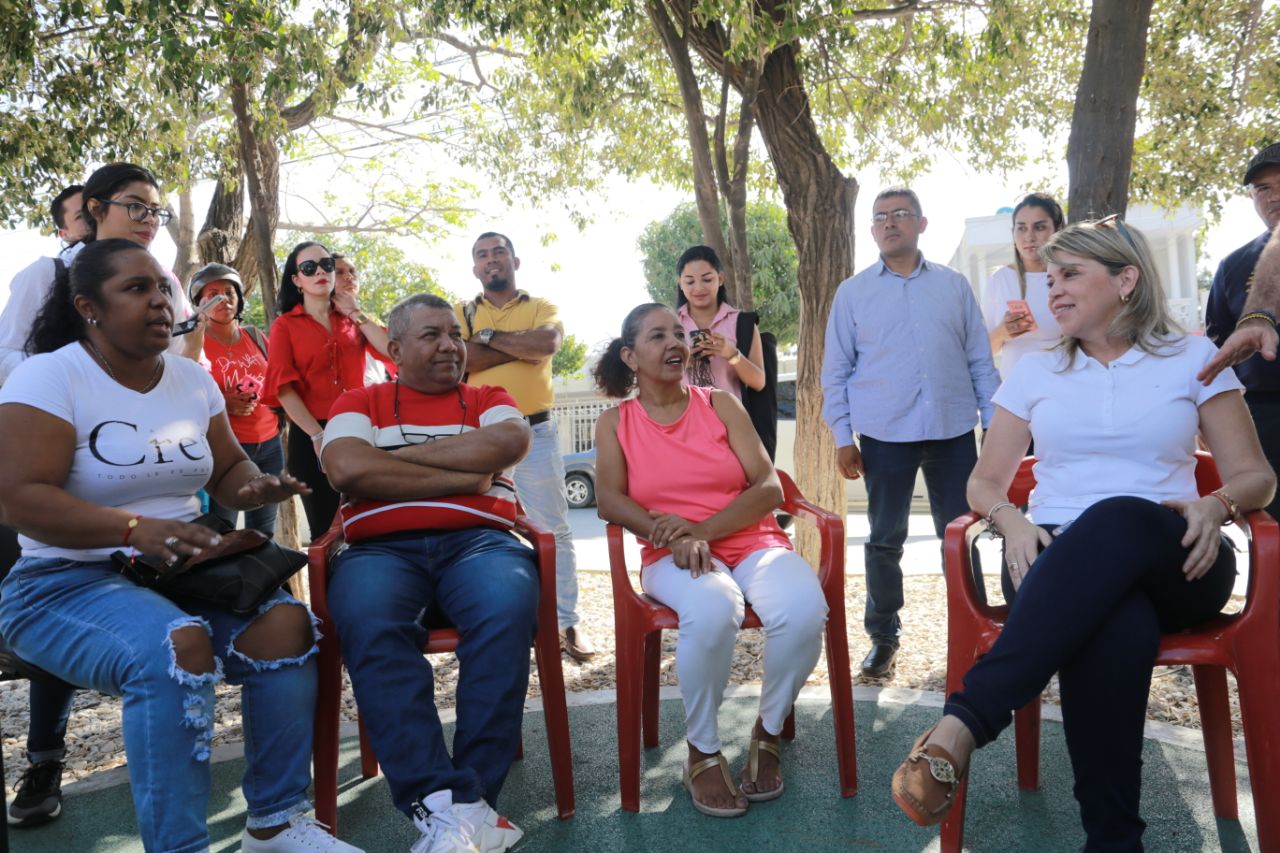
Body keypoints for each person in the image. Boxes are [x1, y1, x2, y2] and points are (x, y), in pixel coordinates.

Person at [891, 218, 1274, 849]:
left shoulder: (1193, 357)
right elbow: (984, 484)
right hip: (1054, 564)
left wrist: (1217, 504)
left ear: (1126, 280)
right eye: (1049, 279)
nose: (1054, 291)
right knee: (1115, 620)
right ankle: (1114, 840)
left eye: (1070, 275)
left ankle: (965, 719)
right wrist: (1008, 519)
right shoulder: (1037, 370)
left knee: (1118, 514)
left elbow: (1256, 476)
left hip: (1181, 555)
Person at [0, 238, 360, 853]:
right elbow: (18, 497)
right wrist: (133, 530)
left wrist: (256, 487)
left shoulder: (192, 379)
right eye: (135, 289)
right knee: (176, 647)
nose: (160, 301)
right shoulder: (50, 374)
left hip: (184, 572)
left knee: (289, 628)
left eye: (162, 288)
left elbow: (227, 474)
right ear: (89, 306)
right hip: (61, 581)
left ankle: (275, 824)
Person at [593, 303, 827, 818]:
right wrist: (667, 532)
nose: (675, 342)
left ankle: (767, 732)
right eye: (658, 336)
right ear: (630, 356)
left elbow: (767, 488)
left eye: (678, 333)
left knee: (805, 610)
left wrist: (700, 531)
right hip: (669, 553)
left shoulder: (720, 403)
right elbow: (609, 500)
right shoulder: (615, 422)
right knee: (714, 605)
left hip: (751, 541)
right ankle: (701, 749)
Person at [321, 294, 534, 853]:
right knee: (368, 619)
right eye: (431, 335)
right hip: (379, 551)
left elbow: (511, 442)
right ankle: (449, 805)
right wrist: (465, 473)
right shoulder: (358, 401)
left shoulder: (489, 396)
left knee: (507, 609)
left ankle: (465, 804)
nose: (450, 346)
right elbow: (344, 467)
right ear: (393, 349)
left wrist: (386, 467)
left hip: (480, 544)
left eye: (455, 336)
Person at [821, 186, 999, 679]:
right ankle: (883, 638)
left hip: (953, 432)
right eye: (880, 218)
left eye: (901, 214)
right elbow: (835, 371)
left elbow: (980, 362)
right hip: (883, 435)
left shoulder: (953, 286)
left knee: (960, 536)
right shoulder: (853, 293)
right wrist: (842, 435)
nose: (889, 223)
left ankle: (976, 632)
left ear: (922, 224)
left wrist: (995, 429)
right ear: (873, 229)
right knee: (884, 540)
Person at [456, 231, 594, 662]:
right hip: (479, 434)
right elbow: (462, 362)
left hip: (537, 433)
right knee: (482, 530)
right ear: (475, 266)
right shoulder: (460, 312)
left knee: (553, 529)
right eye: (482, 255)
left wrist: (486, 337)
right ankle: (496, 625)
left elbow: (545, 345)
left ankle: (567, 622)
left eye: (499, 252)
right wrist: (514, 345)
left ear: (516, 260)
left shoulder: (542, 307)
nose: (491, 259)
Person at [0, 182, 88, 828]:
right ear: (64, 227)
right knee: (35, 601)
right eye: (82, 213)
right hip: (40, 449)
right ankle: (41, 760)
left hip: (117, 463)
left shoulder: (151, 279)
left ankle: (44, 762)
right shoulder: (44, 274)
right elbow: (6, 354)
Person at [265, 241, 392, 539]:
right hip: (311, 437)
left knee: (369, 527)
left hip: (360, 431)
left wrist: (356, 312)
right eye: (309, 268)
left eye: (326, 265)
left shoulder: (353, 319)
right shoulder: (285, 326)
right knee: (327, 535)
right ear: (297, 280)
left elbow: (391, 350)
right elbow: (283, 390)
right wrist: (318, 435)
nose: (320, 271)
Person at [1202, 143, 1280, 518]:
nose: (1273, 196)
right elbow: (1215, 349)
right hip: (1263, 417)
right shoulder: (1234, 266)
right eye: (1263, 188)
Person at [190, 263, 284, 537]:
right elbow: (182, 394)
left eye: (230, 292)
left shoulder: (255, 336)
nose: (224, 299)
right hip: (225, 447)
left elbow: (276, 381)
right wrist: (224, 402)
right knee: (223, 529)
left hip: (269, 445)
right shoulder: (194, 343)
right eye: (213, 294)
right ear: (199, 303)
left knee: (263, 530)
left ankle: (264, 579)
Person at [981, 193, 1065, 379]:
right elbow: (983, 351)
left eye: (1039, 227)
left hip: (1063, 385)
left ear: (1058, 229)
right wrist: (1002, 332)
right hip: (1014, 391)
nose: (1029, 236)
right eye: (1021, 228)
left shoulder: (1071, 277)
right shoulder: (1000, 279)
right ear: (1013, 233)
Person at [675, 244, 766, 397]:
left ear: (720, 279)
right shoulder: (669, 324)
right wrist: (684, 362)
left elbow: (759, 382)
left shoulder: (742, 323)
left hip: (729, 419)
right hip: (683, 419)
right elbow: (654, 379)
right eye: (690, 282)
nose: (698, 288)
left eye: (707, 279)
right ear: (681, 284)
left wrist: (732, 354)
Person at [333, 253, 389, 386]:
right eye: (339, 272)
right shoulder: (316, 318)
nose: (349, 276)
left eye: (352, 271)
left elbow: (392, 350)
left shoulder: (366, 319)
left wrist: (356, 313)